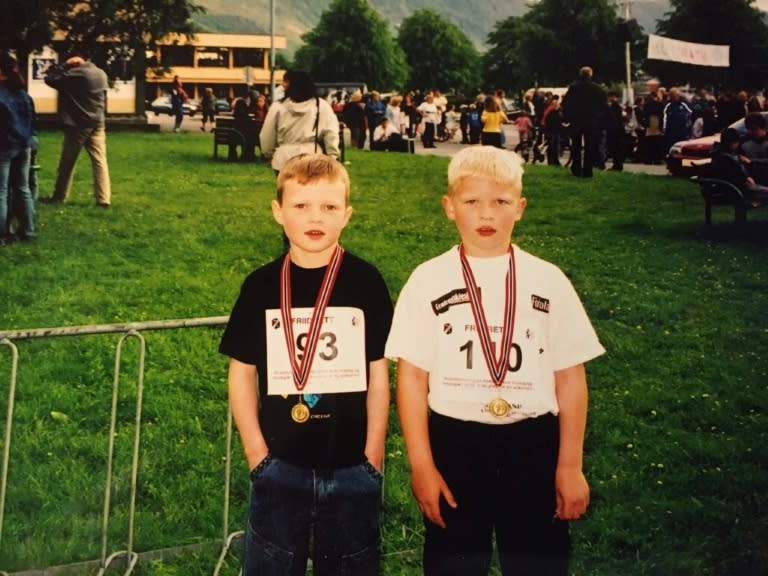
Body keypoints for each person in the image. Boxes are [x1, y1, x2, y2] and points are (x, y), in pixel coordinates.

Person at [385, 145, 605, 576]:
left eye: (500, 202)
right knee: (455, 562)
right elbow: (411, 379)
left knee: (537, 561)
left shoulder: (549, 280)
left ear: (519, 208)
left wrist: (570, 464)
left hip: (533, 442)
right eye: (472, 202)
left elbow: (570, 377)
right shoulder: (427, 280)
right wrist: (422, 464)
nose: (486, 215)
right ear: (450, 208)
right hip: (455, 442)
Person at [219, 153, 393, 576]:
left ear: (347, 215)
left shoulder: (366, 282)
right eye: (301, 206)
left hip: (353, 464)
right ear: (278, 211)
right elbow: (242, 373)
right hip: (280, 462)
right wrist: (256, 453)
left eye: (330, 207)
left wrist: (374, 453)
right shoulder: (261, 285)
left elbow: (378, 372)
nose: (315, 217)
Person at [42, 53, 111, 206]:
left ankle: (59, 196)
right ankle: (104, 198)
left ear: (74, 65)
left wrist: (64, 65)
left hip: (78, 124)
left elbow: (49, 79)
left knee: (67, 162)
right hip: (98, 122)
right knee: (99, 161)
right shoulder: (101, 73)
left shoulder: (76, 74)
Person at [259, 70, 340, 174]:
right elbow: (331, 132)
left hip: (283, 158)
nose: (283, 85)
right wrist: (332, 155)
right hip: (313, 156)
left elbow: (267, 134)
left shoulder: (278, 107)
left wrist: (269, 154)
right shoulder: (321, 105)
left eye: (285, 81)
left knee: (287, 190)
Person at [0, 52, 36, 245]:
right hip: (24, 145)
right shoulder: (23, 93)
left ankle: (2, 234)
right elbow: (32, 120)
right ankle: (28, 231)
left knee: (1, 191)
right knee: (23, 189)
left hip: (4, 146)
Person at [562, 66, 606, 178]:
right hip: (591, 120)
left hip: (576, 120)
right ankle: (588, 170)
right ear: (590, 75)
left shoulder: (573, 87)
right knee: (589, 146)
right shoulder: (596, 88)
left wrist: (567, 118)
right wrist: (598, 117)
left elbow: (566, 103)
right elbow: (602, 105)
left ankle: (576, 168)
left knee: (576, 145)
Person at [709, 127, 768, 206]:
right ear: (733, 143)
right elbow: (736, 176)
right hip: (736, 189)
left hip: (732, 187)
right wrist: (746, 178)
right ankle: (754, 202)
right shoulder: (726, 157)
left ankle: (756, 201)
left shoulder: (721, 153)